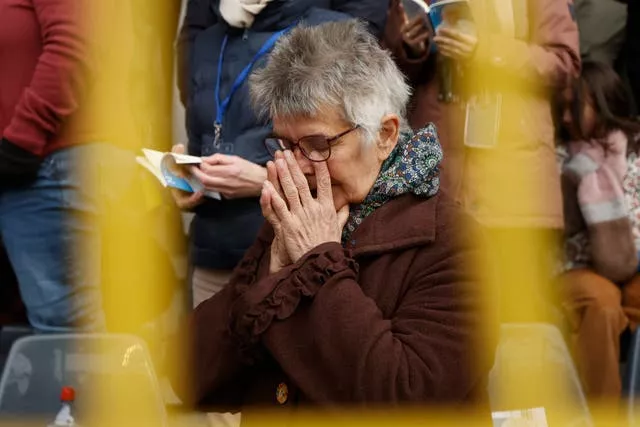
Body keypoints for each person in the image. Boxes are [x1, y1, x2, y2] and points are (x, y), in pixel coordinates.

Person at [179, 20, 490, 418]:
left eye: (316, 144)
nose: (297, 166)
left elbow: (405, 400)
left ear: (385, 135)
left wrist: (317, 261)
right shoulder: (300, 214)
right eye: (284, 144)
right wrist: (270, 273)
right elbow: (191, 377)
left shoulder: (459, 243)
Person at [174, 0, 389, 308]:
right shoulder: (206, 41)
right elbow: (202, 137)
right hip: (212, 248)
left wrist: (263, 178)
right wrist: (186, 178)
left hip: (292, 243)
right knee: (212, 347)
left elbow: (357, 161)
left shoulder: (331, 31)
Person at [427, 0, 580, 322]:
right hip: (440, 155)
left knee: (513, 312)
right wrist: (412, 43)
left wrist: (486, 49)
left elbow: (564, 63)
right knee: (442, 310)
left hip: (509, 164)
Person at [0, 0, 104, 332]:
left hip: (40, 165)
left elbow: (75, 44)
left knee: (64, 333)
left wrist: (21, 139)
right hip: (18, 166)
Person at [557, 61, 640, 399]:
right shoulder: (558, 157)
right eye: (561, 108)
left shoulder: (635, 147)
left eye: (574, 107)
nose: (564, 117)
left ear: (603, 102)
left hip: (634, 263)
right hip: (576, 267)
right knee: (603, 304)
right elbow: (558, 229)